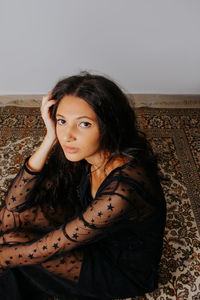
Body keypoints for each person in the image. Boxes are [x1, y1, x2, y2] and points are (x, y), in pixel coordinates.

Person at [0, 72, 166, 300]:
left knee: (12, 243)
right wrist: (49, 138)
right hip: (91, 227)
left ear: (109, 124)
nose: (68, 135)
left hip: (119, 267)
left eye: (84, 124)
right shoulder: (86, 154)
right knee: (12, 219)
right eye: (61, 121)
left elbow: (42, 249)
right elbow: (13, 204)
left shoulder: (124, 188)